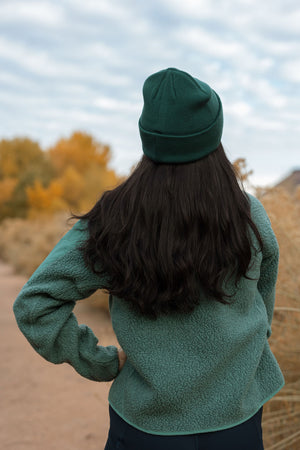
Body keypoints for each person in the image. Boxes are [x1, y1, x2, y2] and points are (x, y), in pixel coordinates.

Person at [13, 67, 285, 450]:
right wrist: (249, 356)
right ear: (214, 136)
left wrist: (100, 362)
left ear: (148, 139)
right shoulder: (248, 216)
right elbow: (265, 294)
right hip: (236, 424)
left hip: (143, 429)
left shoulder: (113, 220)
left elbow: (35, 305)